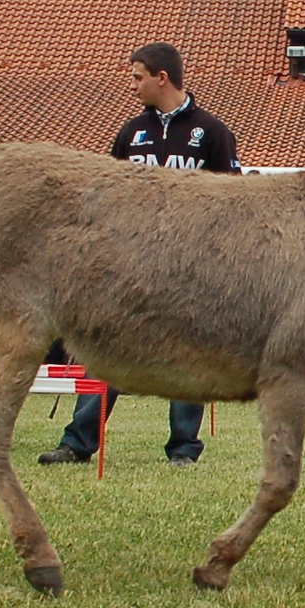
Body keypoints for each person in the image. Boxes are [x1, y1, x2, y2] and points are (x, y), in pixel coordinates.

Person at [38, 43, 239, 467]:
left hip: (191, 268)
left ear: (160, 77)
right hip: (129, 266)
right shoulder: (131, 132)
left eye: (137, 77)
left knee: (190, 354)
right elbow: (108, 195)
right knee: (104, 347)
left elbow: (234, 201)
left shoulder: (213, 131)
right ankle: (77, 443)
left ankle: (183, 449)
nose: (132, 86)